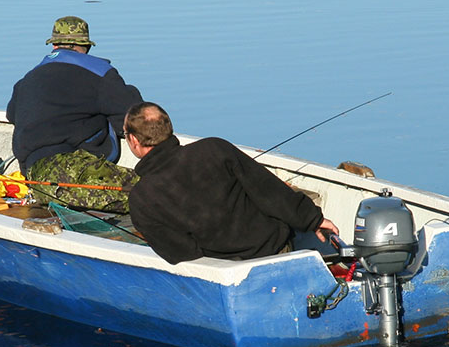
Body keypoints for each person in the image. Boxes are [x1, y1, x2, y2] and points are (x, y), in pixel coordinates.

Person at [124, 102, 340, 264]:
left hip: (227, 270)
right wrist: (313, 220)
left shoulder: (141, 198)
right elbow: (269, 192)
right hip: (276, 248)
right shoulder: (214, 149)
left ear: (133, 140)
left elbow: (180, 253)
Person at [6, 16, 141, 213]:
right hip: (67, 170)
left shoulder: (27, 79)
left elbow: (12, 115)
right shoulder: (100, 73)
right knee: (150, 192)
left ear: (54, 46)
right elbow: (136, 119)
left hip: (32, 174)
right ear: (83, 47)